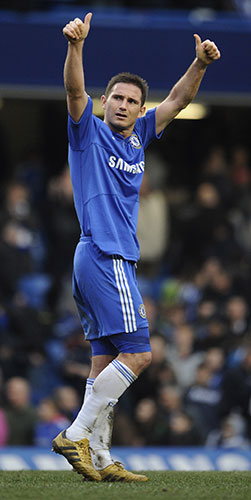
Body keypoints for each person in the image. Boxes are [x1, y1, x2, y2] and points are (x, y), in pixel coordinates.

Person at [52, 11, 220, 482]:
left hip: (97, 259)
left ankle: (101, 460)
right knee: (142, 354)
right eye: (117, 98)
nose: (123, 106)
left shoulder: (142, 135)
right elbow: (72, 91)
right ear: (104, 101)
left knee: (104, 362)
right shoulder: (88, 131)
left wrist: (200, 64)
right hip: (105, 255)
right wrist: (76, 46)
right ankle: (77, 432)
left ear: (139, 108)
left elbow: (177, 101)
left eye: (132, 101)